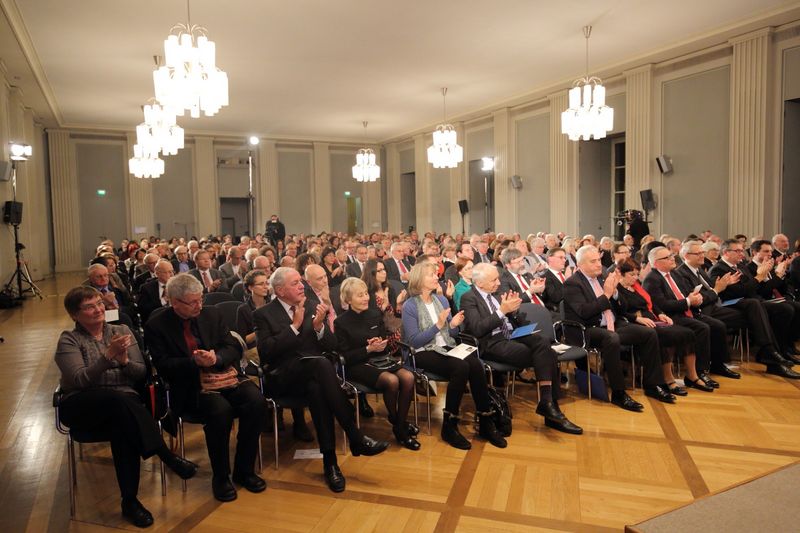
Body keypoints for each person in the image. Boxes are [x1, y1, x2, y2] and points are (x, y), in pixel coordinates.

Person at [55, 286, 198, 528]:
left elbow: (140, 373)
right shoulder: (69, 340)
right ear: (74, 315)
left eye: (99, 303)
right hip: (82, 405)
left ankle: (129, 501)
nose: (98, 309)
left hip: (123, 406)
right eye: (89, 306)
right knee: (117, 400)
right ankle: (167, 457)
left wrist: (124, 362)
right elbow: (79, 380)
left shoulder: (121, 330)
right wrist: (107, 357)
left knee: (123, 425)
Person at [254, 267, 389, 493]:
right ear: (280, 290)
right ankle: (354, 435)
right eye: (295, 283)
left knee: (318, 389)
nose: (301, 286)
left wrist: (318, 328)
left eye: (301, 282)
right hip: (282, 378)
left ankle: (331, 465)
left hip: (312, 376)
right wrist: (294, 327)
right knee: (321, 364)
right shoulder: (264, 314)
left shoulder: (308, 308)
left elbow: (333, 346)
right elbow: (266, 353)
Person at [146, 274, 268, 502]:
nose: (199, 305)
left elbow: (232, 346)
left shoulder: (212, 313)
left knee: (256, 401)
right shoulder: (157, 325)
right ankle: (221, 476)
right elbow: (162, 365)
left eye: (200, 299)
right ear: (174, 302)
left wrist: (216, 358)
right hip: (189, 386)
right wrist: (194, 362)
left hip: (223, 375)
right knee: (220, 411)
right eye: (192, 302)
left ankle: (244, 470)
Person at [461, 263, 582, 434]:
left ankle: (548, 404)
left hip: (514, 334)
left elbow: (514, 319)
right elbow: (477, 329)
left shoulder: (496, 294)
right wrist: (502, 311)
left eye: (498, 278)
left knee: (542, 342)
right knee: (548, 354)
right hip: (492, 343)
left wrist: (514, 312)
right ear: (479, 283)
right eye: (494, 280)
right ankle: (550, 407)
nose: (498, 283)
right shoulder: (469, 298)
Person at [401, 262, 508, 450]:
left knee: (475, 364)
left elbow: (451, 335)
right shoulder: (410, 306)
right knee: (461, 367)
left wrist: (452, 326)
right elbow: (414, 342)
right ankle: (449, 425)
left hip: (445, 348)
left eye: (436, 274)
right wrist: (439, 325)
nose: (437, 278)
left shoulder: (441, 300)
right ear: (419, 280)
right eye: (432, 275)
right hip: (421, 353)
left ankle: (485, 420)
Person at [562, 245, 671, 411]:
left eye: (599, 260)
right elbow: (585, 312)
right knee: (611, 338)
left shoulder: (602, 278)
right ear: (581, 264)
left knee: (648, 333)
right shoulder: (572, 284)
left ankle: (653, 384)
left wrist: (615, 294)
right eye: (593, 261)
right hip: (586, 329)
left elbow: (621, 309)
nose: (599, 264)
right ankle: (619, 393)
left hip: (613, 323)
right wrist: (606, 294)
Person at [335, 278, 420, 450]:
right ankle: (401, 428)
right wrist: (367, 349)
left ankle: (399, 423)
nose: (366, 298)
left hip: (380, 359)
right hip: (357, 365)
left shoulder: (374, 313)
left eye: (366, 293)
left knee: (409, 377)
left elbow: (385, 342)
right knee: (392, 381)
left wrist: (380, 344)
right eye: (360, 295)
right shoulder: (341, 322)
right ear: (348, 300)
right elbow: (344, 357)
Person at [616, 258, 707, 395]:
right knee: (666, 336)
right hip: (635, 323)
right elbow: (619, 312)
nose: (635, 278)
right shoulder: (617, 289)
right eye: (631, 275)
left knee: (687, 333)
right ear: (621, 274)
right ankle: (668, 379)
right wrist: (638, 318)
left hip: (652, 319)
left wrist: (661, 314)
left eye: (636, 274)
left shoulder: (636, 286)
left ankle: (692, 376)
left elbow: (651, 303)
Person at [642, 246, 721, 391]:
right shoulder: (652, 279)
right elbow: (661, 305)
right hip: (669, 317)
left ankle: (698, 372)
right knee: (700, 328)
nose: (672, 258)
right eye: (667, 257)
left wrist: (694, 298)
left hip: (685, 312)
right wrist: (688, 302)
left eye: (671, 255)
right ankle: (696, 373)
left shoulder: (675, 274)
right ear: (656, 263)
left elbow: (686, 294)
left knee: (714, 325)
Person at [137, 259, 174, 325]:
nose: (171, 275)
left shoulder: (179, 285)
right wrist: (163, 300)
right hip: (156, 321)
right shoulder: (146, 288)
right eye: (167, 272)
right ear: (157, 273)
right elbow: (143, 309)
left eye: (172, 271)